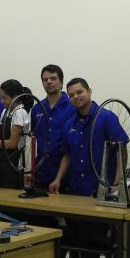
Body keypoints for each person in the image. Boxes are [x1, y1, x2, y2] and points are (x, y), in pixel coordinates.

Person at [48, 78, 128, 258]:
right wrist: (57, 178)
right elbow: (67, 154)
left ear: (90, 91)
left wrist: (116, 183)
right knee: (83, 236)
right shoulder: (69, 123)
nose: (76, 97)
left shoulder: (106, 117)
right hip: (77, 190)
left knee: (108, 238)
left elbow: (121, 149)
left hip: (103, 190)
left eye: (80, 92)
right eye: (72, 94)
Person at [32, 64, 75, 192]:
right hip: (42, 174)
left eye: (53, 78)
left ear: (61, 82)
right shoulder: (37, 109)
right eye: (45, 80)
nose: (49, 82)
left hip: (68, 176)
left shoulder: (73, 107)